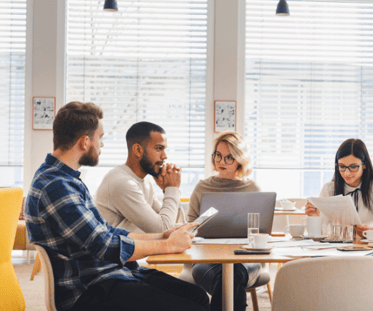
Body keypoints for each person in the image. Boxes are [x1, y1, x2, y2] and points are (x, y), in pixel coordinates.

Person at [25, 101, 209, 311]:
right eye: (100, 138)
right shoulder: (55, 186)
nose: (101, 145)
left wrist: (163, 236)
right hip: (90, 289)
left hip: (108, 275)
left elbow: (107, 231)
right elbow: (104, 245)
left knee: (197, 296)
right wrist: (167, 245)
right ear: (85, 142)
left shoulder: (68, 180)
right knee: (191, 306)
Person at [179, 132, 262, 311]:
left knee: (234, 274)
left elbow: (260, 230)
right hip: (207, 259)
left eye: (229, 157)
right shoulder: (202, 187)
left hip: (246, 258)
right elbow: (190, 227)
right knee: (228, 278)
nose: (221, 161)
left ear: (240, 160)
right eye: (218, 155)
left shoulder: (252, 188)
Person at [95, 121, 185, 233]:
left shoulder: (145, 182)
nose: (165, 156)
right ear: (138, 150)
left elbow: (174, 224)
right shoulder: (122, 183)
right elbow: (162, 229)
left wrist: (167, 190)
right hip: (118, 250)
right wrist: (172, 188)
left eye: (164, 149)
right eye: (158, 148)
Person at [304, 138, 373, 239]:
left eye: (353, 167)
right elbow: (320, 234)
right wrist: (314, 217)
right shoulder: (329, 188)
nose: (347, 173)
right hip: (336, 248)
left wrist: (371, 231)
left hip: (368, 245)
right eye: (342, 166)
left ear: (364, 165)